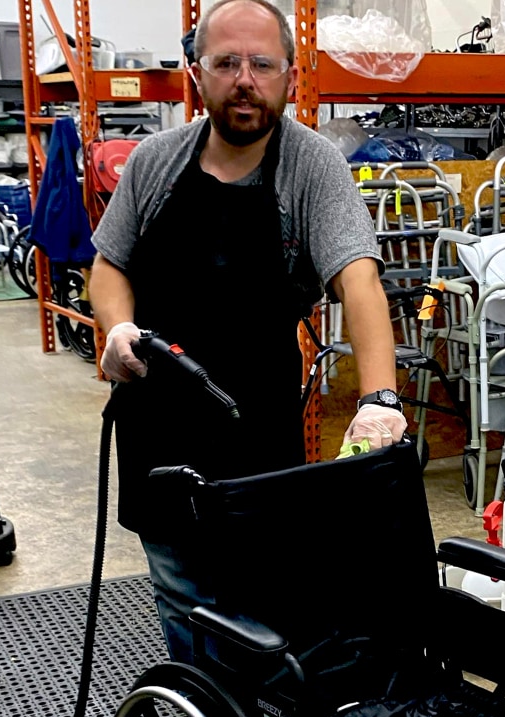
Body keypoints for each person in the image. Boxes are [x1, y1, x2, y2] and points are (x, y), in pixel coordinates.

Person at [89, 0, 407, 666]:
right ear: (196, 71)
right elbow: (109, 264)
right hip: (156, 427)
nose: (244, 79)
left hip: (255, 433)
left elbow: (360, 283)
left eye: (261, 64)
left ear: (289, 74)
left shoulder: (311, 168)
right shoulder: (154, 162)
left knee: (258, 604)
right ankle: (204, 715)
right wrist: (117, 328)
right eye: (226, 62)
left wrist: (379, 399)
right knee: (181, 594)